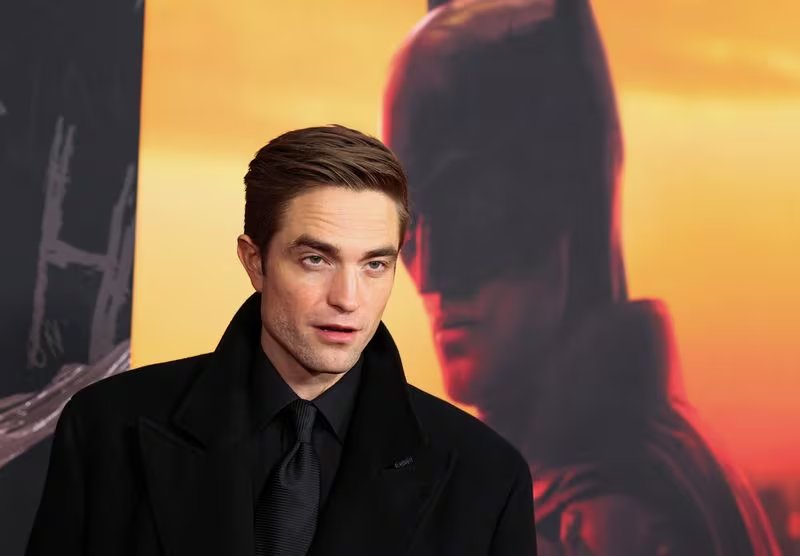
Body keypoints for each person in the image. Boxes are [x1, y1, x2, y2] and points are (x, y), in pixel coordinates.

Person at [25, 125, 537, 556]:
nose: (348, 298)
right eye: (316, 259)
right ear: (255, 262)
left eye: (375, 264)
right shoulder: (107, 429)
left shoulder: (486, 475)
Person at [382, 0, 779, 554]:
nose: (432, 278)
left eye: (472, 211)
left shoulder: (594, 521)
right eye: (410, 220)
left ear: (571, 206)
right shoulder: (665, 462)